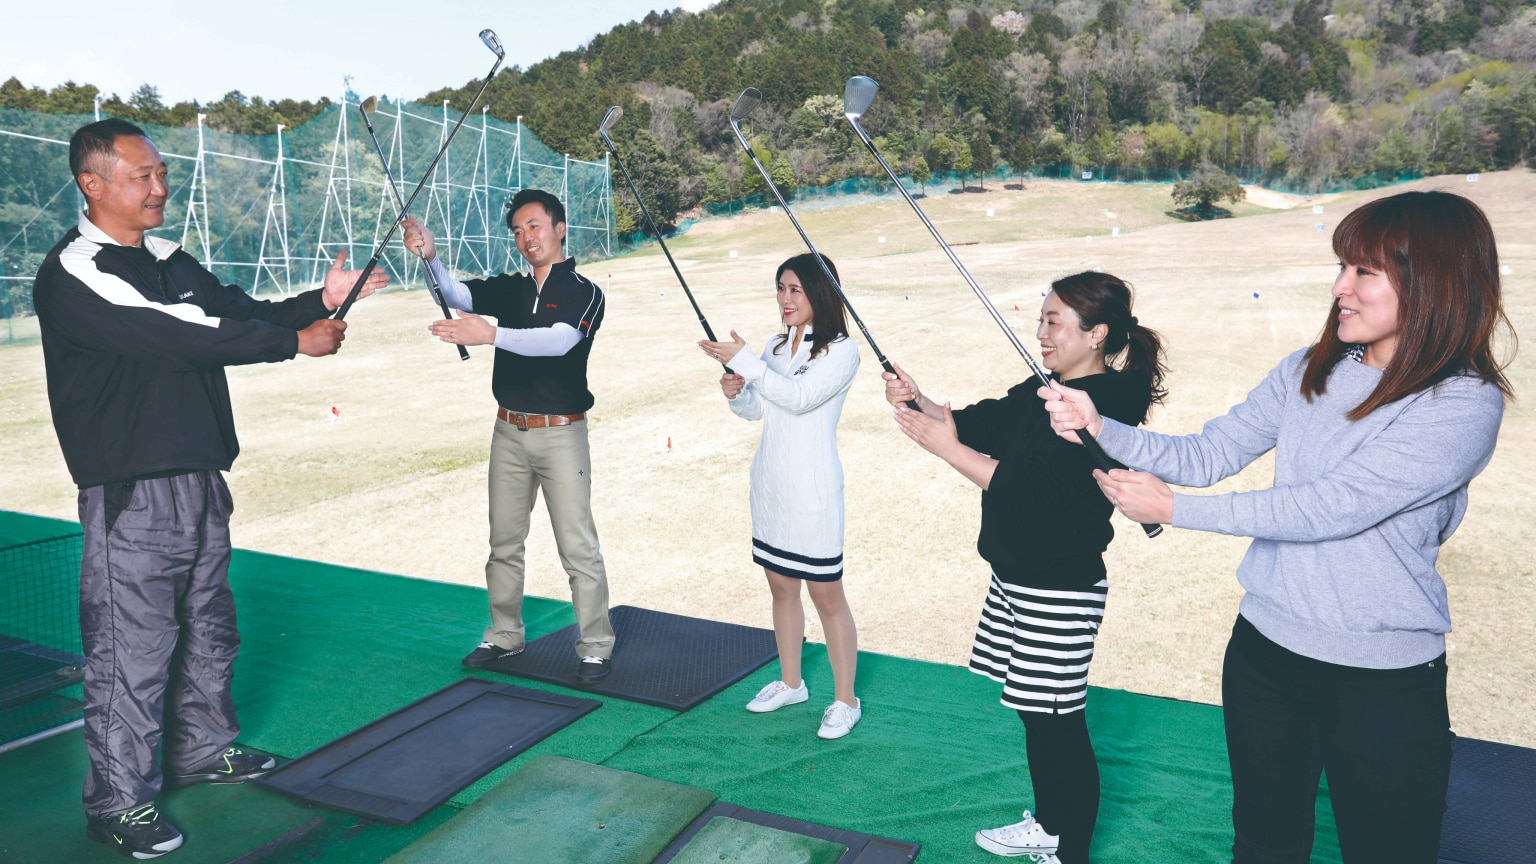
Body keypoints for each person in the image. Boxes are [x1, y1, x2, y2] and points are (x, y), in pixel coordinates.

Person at [1039, 191, 1513, 863]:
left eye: (1362, 272)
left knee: (1389, 851)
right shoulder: (1307, 369)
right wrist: (1099, 425)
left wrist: (1175, 510)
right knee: (1263, 846)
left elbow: (1329, 507)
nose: (1339, 288)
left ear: (1433, 281)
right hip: (1264, 657)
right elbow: (1207, 453)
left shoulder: (1463, 402)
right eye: (1341, 267)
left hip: (1379, 681)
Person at [34, 118, 388, 859]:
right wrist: (293, 343)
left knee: (207, 630)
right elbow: (177, 333)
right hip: (131, 489)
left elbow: (230, 310)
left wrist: (315, 303)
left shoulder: (166, 254)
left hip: (198, 477)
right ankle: (119, 801)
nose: (160, 187)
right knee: (130, 648)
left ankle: (202, 749)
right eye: (142, 176)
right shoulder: (74, 271)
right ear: (93, 185)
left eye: (162, 173)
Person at [884, 271, 1167, 864]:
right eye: (1041, 318)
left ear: (1097, 334)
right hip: (1018, 576)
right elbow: (985, 421)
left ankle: (1071, 850)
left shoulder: (1104, 405)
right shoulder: (1048, 388)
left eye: (1053, 321)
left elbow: (1032, 489)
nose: (1040, 332)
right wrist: (918, 398)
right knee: (1037, 712)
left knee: (1059, 721)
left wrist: (946, 449)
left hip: (1058, 586)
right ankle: (1050, 823)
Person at [401, 190, 613, 684]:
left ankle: (596, 646)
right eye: (517, 231)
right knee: (503, 542)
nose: (526, 238)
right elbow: (455, 295)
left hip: (561, 435)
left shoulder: (585, 290)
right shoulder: (513, 289)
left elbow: (559, 340)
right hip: (508, 430)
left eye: (535, 226)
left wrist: (490, 335)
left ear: (560, 228)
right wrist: (430, 256)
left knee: (578, 547)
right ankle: (504, 635)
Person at [698, 253, 863, 740]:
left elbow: (798, 398)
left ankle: (846, 699)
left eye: (795, 289)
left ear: (820, 292)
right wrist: (736, 390)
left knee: (827, 596)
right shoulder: (772, 346)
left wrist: (744, 361)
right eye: (780, 288)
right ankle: (792, 683)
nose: (785, 299)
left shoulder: (841, 351)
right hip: (770, 484)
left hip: (812, 489)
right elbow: (761, 408)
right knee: (780, 587)